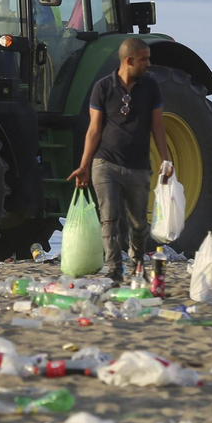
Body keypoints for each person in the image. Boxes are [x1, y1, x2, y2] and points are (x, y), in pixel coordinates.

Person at [67, 38, 172, 284]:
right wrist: (84, 166)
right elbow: (94, 130)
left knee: (138, 225)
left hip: (138, 167)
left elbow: (158, 127)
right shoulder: (102, 88)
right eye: (144, 59)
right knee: (110, 218)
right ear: (129, 60)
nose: (149, 63)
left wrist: (166, 161)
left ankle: (137, 266)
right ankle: (114, 270)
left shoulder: (151, 87)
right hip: (105, 165)